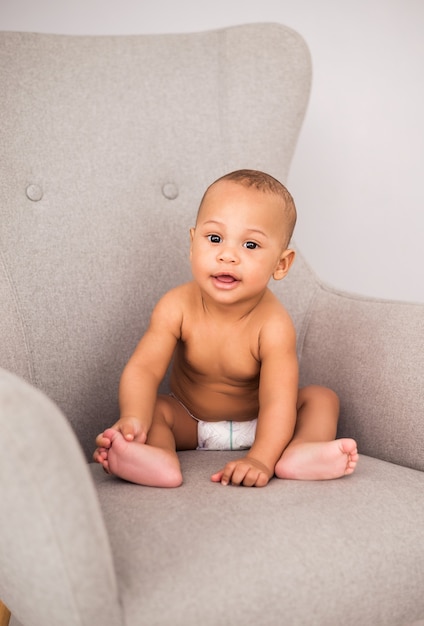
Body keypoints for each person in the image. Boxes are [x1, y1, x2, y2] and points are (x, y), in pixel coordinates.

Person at [94, 169, 358, 487]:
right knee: (156, 407)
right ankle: (155, 457)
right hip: (189, 422)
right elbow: (144, 369)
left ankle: (300, 451)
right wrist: (133, 418)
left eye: (250, 245)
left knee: (320, 399)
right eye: (215, 239)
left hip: (262, 425)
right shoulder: (176, 306)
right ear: (193, 244)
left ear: (281, 264)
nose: (227, 255)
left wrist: (260, 458)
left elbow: (277, 401)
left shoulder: (273, 324)